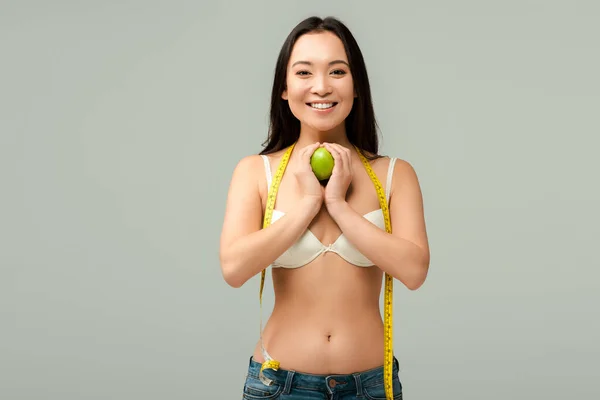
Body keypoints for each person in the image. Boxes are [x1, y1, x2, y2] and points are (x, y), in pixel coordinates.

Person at [219, 16, 430, 400]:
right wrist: (308, 204)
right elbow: (234, 269)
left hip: (369, 388)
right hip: (279, 386)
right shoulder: (256, 172)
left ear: (356, 87)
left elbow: (414, 271)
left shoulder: (395, 175)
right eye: (304, 72)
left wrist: (338, 205)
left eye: (337, 71)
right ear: (284, 88)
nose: (321, 86)